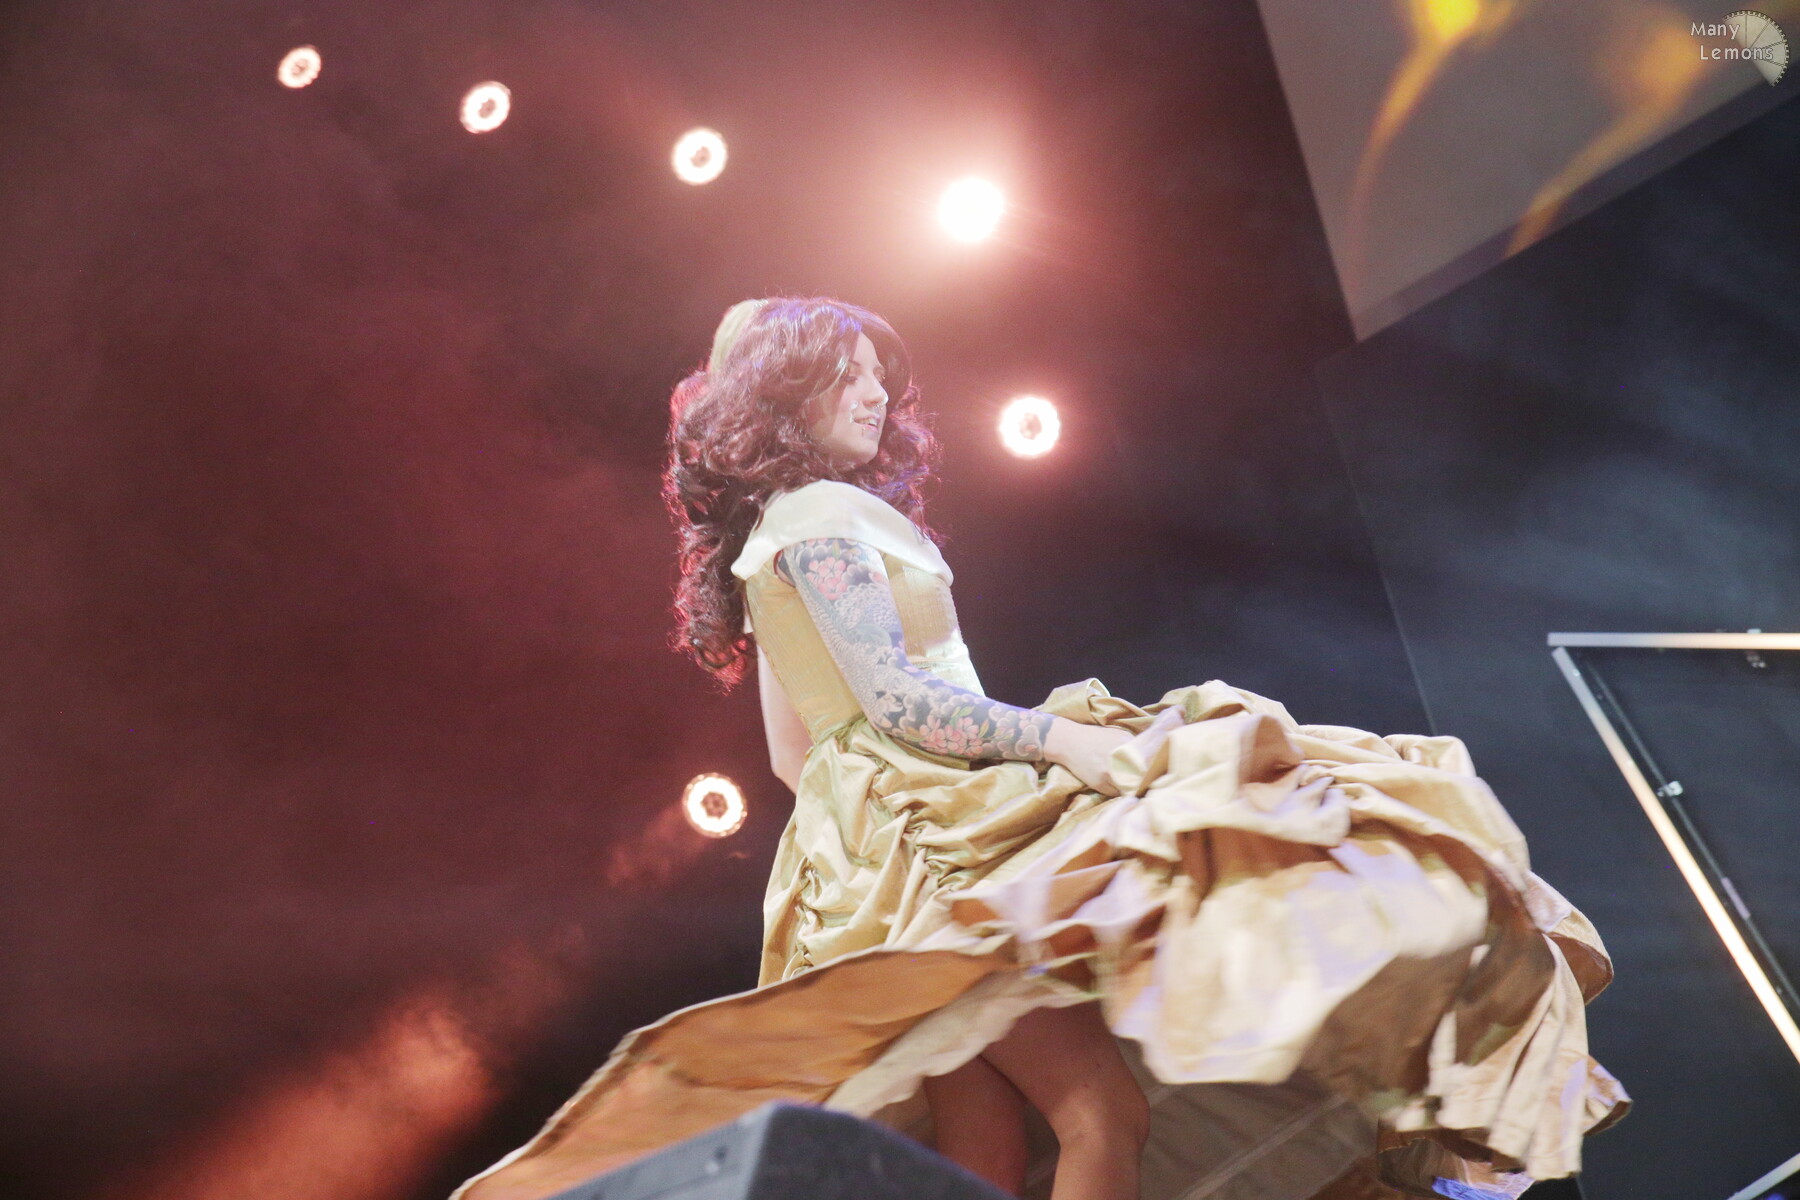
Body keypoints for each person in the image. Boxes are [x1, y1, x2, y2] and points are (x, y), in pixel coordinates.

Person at [453, 298, 1628, 1200]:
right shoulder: (822, 517)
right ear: (787, 391)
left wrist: (865, 844)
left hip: (871, 872)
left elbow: (791, 759)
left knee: (987, 1162)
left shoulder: (773, 537)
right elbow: (897, 700)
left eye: (879, 377)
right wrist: (1053, 747)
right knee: (1102, 1115)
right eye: (849, 372)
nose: (876, 391)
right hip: (928, 847)